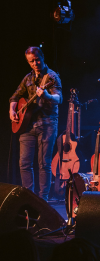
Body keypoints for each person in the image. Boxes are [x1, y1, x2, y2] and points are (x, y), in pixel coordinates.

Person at [9, 47, 62, 200]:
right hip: (27, 125)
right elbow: (14, 96)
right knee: (24, 163)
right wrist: (12, 110)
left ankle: (42, 200)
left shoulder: (52, 77)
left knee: (43, 164)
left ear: (42, 57)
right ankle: (29, 199)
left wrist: (46, 95)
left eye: (37, 59)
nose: (35, 63)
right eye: (31, 61)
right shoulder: (28, 78)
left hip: (47, 124)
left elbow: (59, 99)